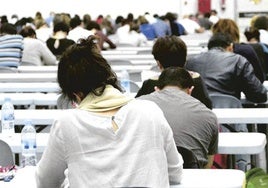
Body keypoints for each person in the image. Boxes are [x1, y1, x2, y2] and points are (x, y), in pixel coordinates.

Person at [36, 35, 183, 188]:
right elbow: (175, 173)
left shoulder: (66, 123)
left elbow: (45, 182)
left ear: (76, 94)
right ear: (107, 75)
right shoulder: (150, 111)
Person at [138, 67, 219, 168]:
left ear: (156, 89)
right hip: (192, 179)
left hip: (144, 178)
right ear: (190, 91)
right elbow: (208, 164)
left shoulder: (134, 106)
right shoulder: (209, 116)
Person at [185, 32, 267, 103]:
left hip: (199, 114)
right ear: (231, 47)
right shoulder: (238, 60)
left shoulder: (190, 62)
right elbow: (260, 95)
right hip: (230, 114)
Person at [135, 35, 212, 109]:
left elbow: (135, 107)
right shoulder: (196, 80)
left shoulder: (150, 83)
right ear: (185, 60)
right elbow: (208, 106)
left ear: (158, 63)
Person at [211, 18, 265, 83]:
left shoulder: (209, 54)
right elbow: (259, 78)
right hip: (243, 90)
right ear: (236, 32)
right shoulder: (246, 50)